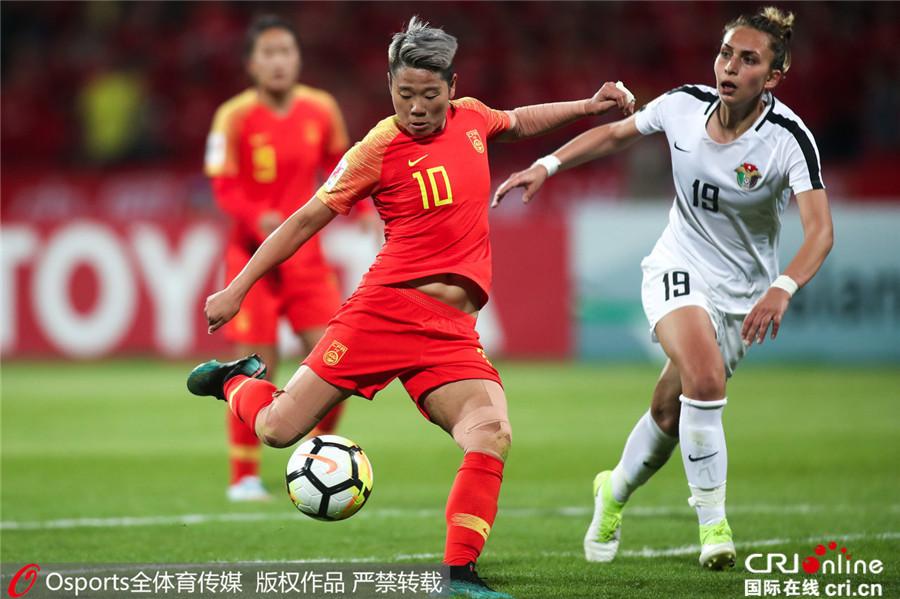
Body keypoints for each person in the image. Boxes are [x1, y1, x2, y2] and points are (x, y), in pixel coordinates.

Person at [189, 16, 634, 598]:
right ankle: (232, 381)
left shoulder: (473, 118)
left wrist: (588, 106)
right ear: (389, 87)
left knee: (490, 433)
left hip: (451, 331)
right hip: (385, 313)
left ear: (453, 87)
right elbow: (304, 219)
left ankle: (459, 574)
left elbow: (519, 120)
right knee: (277, 429)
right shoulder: (376, 148)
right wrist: (239, 286)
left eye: (429, 94)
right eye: (405, 95)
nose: (417, 108)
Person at [493, 6, 833, 571]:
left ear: (773, 77)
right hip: (678, 265)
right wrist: (547, 165)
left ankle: (613, 491)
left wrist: (782, 287)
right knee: (705, 377)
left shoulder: (788, 139)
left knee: (670, 412)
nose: (730, 67)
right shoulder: (683, 105)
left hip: (742, 294)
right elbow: (615, 133)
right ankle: (714, 525)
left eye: (748, 60)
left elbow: (820, 232)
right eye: (725, 53)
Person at [204, 15, 350, 502]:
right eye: (268, 53)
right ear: (251, 64)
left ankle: (317, 455)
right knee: (257, 365)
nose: (278, 62)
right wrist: (255, 218)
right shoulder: (233, 116)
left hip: (306, 259)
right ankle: (243, 476)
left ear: (298, 58)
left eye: (286, 51)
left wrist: (368, 207)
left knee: (335, 360)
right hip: (252, 261)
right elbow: (222, 186)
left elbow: (344, 165)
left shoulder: (321, 108)